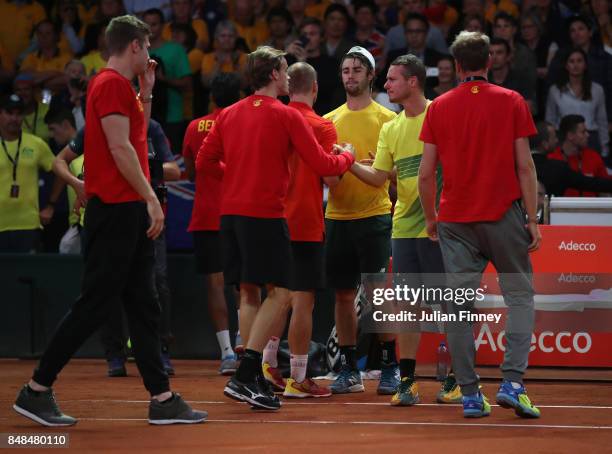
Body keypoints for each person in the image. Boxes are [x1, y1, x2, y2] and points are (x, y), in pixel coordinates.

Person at [12, 15, 206, 427]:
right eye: (148, 46)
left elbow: (134, 136)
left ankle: (163, 397)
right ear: (134, 46)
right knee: (94, 305)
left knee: (144, 303)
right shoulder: (110, 85)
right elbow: (121, 150)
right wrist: (151, 198)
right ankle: (36, 389)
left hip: (124, 211)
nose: (151, 54)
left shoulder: (119, 88)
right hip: (116, 211)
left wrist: (147, 93)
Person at [198, 46, 355, 410]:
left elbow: (204, 162)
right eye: (284, 71)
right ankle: (247, 371)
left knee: (250, 292)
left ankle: (249, 374)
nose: (287, 77)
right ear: (272, 75)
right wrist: (347, 155)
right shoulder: (286, 115)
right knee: (283, 292)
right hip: (265, 214)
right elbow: (321, 162)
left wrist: (235, 176)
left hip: (231, 215)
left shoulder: (228, 114)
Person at [418, 31, 541, 419]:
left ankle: (470, 395)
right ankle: (512, 383)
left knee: (457, 308)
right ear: (489, 61)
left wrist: (432, 218)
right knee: (520, 297)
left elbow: (425, 175)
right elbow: (525, 165)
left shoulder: (439, 106)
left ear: (456, 67)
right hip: (503, 216)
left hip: (455, 219)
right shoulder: (511, 101)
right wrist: (533, 218)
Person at [348, 54, 461, 406]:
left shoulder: (441, 114)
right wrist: (348, 162)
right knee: (409, 307)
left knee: (451, 306)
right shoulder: (391, 128)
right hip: (404, 228)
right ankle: (408, 381)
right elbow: (380, 177)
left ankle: (457, 380)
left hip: (441, 227)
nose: (386, 85)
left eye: (393, 79)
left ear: (412, 81)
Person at [323, 47, 398, 396]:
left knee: (377, 295)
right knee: (341, 295)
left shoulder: (387, 118)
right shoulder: (329, 121)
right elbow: (324, 172)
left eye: (357, 70)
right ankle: (349, 368)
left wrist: (377, 167)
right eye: (345, 70)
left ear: (371, 76)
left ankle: (389, 366)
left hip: (375, 215)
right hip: (337, 216)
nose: (350, 75)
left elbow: (398, 171)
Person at [263, 61, 337, 398]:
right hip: (306, 222)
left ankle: (265, 365)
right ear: (315, 88)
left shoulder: (272, 118)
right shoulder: (322, 126)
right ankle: (297, 378)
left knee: (278, 298)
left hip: (275, 220)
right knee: (303, 302)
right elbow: (332, 178)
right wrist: (348, 159)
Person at [183, 73, 242, 375]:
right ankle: (245, 341)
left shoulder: (195, 127)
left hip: (207, 215)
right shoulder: (242, 122)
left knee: (216, 284)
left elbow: (191, 172)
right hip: (239, 212)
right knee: (243, 282)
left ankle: (227, 354)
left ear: (212, 97)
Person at [0, 94, 57, 253]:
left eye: (19, 114)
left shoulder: (36, 144)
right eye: (9, 113)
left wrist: (51, 206)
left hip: (28, 224)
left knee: (27, 276)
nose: (14, 118)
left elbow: (60, 172)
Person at [143, 8, 192, 154]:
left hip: (172, 117)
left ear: (163, 25)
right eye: (146, 24)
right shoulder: (137, 50)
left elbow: (188, 83)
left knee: (173, 160)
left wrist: (164, 79)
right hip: (145, 117)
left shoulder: (176, 50)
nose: (150, 29)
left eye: (154, 24)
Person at [545, 48, 609, 157]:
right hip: (564, 140)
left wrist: (604, 148)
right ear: (566, 65)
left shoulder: (597, 90)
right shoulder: (555, 90)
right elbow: (550, 121)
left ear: (585, 65)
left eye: (579, 61)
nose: (576, 65)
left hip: (590, 138)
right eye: (572, 61)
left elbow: (602, 121)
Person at [530, 120, 612, 196]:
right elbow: (589, 183)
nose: (557, 140)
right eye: (554, 137)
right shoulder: (558, 168)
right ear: (545, 144)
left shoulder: (519, 166)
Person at [488, 38, 535, 111]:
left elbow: (527, 110)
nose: (494, 57)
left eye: (499, 52)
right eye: (490, 53)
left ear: (508, 56)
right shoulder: (481, 80)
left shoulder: (522, 79)